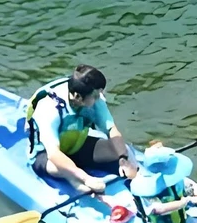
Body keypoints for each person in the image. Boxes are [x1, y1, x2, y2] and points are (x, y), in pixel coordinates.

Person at [26, 65, 127, 194]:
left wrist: (124, 160)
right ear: (78, 97)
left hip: (76, 146)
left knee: (118, 150)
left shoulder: (93, 99)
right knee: (55, 165)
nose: (99, 99)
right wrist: (85, 177)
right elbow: (54, 153)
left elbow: (111, 129)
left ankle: (75, 171)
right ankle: (71, 177)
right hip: (46, 155)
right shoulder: (49, 109)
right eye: (95, 96)